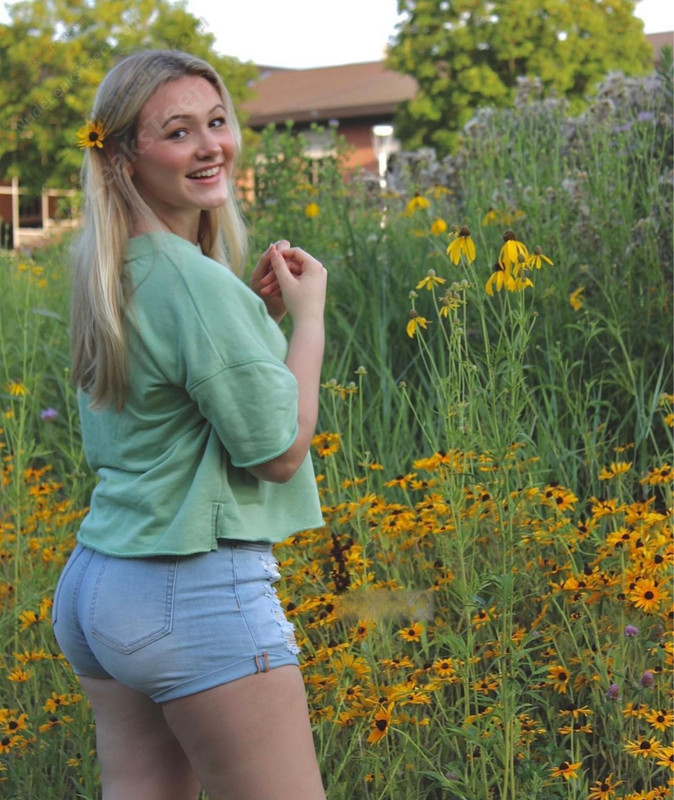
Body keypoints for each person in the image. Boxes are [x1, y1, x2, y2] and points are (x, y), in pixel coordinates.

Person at [52, 49, 328, 800]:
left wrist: (253, 317)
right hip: (190, 586)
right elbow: (277, 452)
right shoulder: (193, 281)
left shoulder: (116, 268)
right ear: (124, 157)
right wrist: (308, 322)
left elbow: (170, 398)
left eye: (217, 122)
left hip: (101, 584)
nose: (211, 146)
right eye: (178, 132)